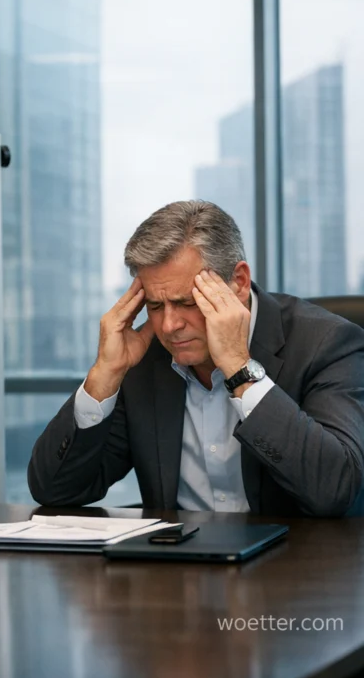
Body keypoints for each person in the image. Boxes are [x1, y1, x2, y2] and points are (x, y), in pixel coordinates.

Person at [28, 200, 364, 517]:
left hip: (297, 568)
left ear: (239, 283)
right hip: (177, 570)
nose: (170, 326)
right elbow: (55, 492)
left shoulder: (326, 343)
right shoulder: (145, 361)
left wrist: (240, 371)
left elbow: (335, 489)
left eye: (188, 302)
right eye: (156, 306)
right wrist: (104, 376)